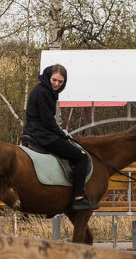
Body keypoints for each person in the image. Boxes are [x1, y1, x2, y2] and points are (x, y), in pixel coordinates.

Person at [22, 63, 95, 211]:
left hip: (37, 130)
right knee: (81, 157)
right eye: (54, 80)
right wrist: (63, 135)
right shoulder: (43, 92)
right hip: (42, 134)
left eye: (60, 82)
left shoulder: (45, 89)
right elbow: (48, 121)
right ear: (49, 77)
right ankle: (78, 197)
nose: (56, 84)